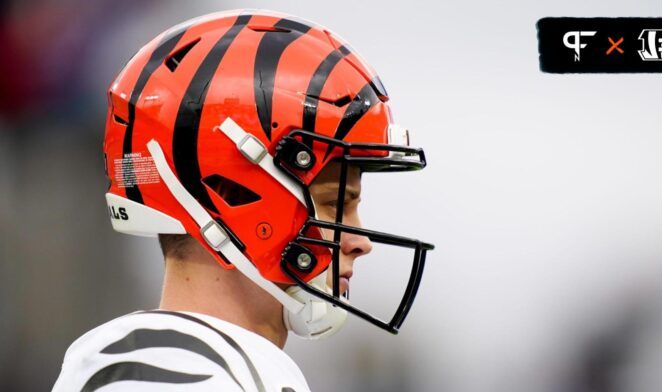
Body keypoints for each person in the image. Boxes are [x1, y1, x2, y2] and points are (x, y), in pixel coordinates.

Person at [53, 9, 433, 391]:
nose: (361, 241)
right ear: (234, 194)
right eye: (337, 202)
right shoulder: (172, 377)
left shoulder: (206, 363)